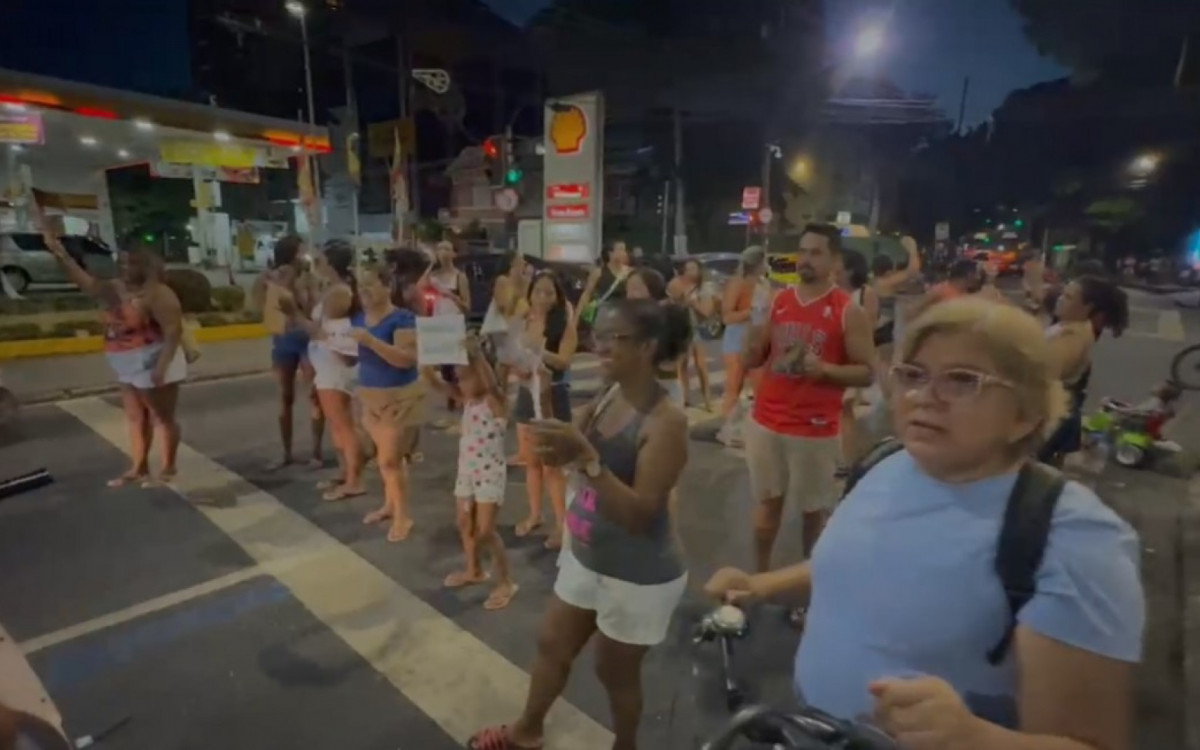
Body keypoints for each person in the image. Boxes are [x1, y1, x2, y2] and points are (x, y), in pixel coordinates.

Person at [706, 297, 1144, 750]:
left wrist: (973, 737)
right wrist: (760, 588)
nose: (924, 396)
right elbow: (857, 569)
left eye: (963, 380)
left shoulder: (1071, 539)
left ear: (1025, 415)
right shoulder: (888, 463)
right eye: (913, 375)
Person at [467, 299, 692, 750]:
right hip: (587, 553)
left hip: (637, 573)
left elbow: (640, 514)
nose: (599, 347)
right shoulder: (610, 392)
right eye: (596, 336)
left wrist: (587, 461)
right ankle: (527, 731)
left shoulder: (666, 421)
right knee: (552, 644)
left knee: (614, 672)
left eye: (612, 338)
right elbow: (569, 437)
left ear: (647, 347)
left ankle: (625, 746)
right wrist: (550, 429)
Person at [742, 224, 875, 581]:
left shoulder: (846, 310)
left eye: (816, 252)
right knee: (766, 509)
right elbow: (753, 358)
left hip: (814, 429)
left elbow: (867, 373)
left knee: (813, 516)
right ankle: (758, 580)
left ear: (834, 259)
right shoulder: (779, 301)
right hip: (767, 421)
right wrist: (754, 326)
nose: (805, 259)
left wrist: (825, 369)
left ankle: (809, 588)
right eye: (802, 251)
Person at [43, 229, 187, 487]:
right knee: (135, 417)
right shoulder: (115, 289)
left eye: (131, 263)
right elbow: (85, 283)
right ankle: (139, 468)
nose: (125, 268)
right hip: (126, 362)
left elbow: (172, 331)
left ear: (146, 265)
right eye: (122, 262)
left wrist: (162, 366)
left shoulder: (158, 293)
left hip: (154, 359)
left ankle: (168, 468)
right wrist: (60, 254)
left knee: (161, 417)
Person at [423, 335, 518, 611]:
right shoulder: (468, 401)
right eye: (459, 378)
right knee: (464, 522)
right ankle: (473, 569)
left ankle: (506, 581)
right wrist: (425, 359)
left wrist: (475, 355)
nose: (462, 383)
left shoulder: (494, 401)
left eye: (467, 377)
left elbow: (490, 384)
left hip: (490, 474)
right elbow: (435, 383)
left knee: (486, 530)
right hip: (467, 471)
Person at [283, 239, 364, 501]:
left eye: (319, 260)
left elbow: (320, 331)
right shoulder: (333, 289)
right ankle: (345, 472)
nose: (316, 265)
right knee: (337, 425)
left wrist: (294, 314)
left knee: (343, 425)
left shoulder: (339, 293)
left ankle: (354, 480)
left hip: (334, 365)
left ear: (330, 263)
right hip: (327, 363)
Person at [352, 263, 426, 542]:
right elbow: (355, 356)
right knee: (386, 459)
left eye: (370, 283)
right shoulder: (360, 319)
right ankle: (390, 504)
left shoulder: (402, 318)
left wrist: (371, 342)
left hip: (398, 399)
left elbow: (406, 359)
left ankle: (402, 516)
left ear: (387, 286)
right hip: (370, 398)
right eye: (360, 285)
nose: (364, 290)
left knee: (389, 460)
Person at [512, 270, 578, 548]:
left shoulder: (564, 325)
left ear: (557, 297)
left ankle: (562, 524)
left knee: (552, 465)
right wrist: (519, 369)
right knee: (531, 461)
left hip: (554, 394)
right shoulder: (522, 321)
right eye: (537, 291)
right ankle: (535, 514)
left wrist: (539, 349)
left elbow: (564, 361)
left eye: (549, 292)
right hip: (527, 394)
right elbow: (513, 358)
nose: (542, 297)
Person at [1038, 276, 1129, 466]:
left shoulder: (1072, 338)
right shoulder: (1069, 326)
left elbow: (1045, 375)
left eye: (1068, 297)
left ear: (1087, 307)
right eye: (1063, 294)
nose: (1060, 299)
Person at [253, 235, 324, 471]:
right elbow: (257, 307)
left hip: (307, 340)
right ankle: (286, 452)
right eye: (300, 251)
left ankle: (316, 453)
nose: (304, 256)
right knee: (284, 396)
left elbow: (313, 308)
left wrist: (295, 287)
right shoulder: (270, 278)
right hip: (283, 339)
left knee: (314, 395)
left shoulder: (308, 278)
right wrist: (267, 284)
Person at [718, 246, 771, 446]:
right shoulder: (737, 283)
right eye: (764, 261)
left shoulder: (764, 283)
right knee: (734, 387)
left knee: (762, 389)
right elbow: (727, 317)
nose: (767, 265)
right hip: (736, 339)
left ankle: (759, 430)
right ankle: (728, 430)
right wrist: (752, 311)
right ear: (757, 263)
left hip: (758, 339)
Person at [835, 249, 879, 468]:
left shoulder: (865, 293)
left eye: (839, 264)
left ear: (850, 270)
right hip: (831, 356)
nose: (834, 268)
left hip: (850, 359)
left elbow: (870, 327)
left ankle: (847, 460)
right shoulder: (830, 291)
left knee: (844, 409)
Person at [627, 267, 691, 406]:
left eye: (636, 288)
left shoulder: (670, 315)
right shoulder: (635, 319)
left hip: (663, 391)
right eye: (628, 289)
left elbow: (672, 360)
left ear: (653, 288)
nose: (630, 295)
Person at [424, 240, 470, 421]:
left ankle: (460, 395)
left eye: (447, 249)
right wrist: (431, 264)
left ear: (453, 254)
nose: (443, 252)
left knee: (457, 364)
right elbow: (420, 285)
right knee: (444, 366)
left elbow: (467, 306)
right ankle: (451, 397)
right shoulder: (434, 277)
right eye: (440, 249)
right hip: (438, 323)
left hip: (454, 323)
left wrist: (451, 296)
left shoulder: (459, 277)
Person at [669, 259, 715, 410]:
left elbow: (707, 312)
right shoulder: (677, 285)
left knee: (700, 365)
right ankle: (684, 397)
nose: (690, 272)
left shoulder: (704, 288)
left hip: (697, 328)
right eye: (687, 269)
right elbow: (671, 304)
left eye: (694, 268)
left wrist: (694, 303)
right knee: (681, 364)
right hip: (680, 328)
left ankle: (707, 399)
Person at [577, 240, 631, 327]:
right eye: (620, 249)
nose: (624, 253)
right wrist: (576, 318)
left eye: (625, 250)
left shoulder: (629, 273)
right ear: (610, 253)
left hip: (623, 315)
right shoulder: (598, 273)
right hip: (603, 315)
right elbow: (586, 294)